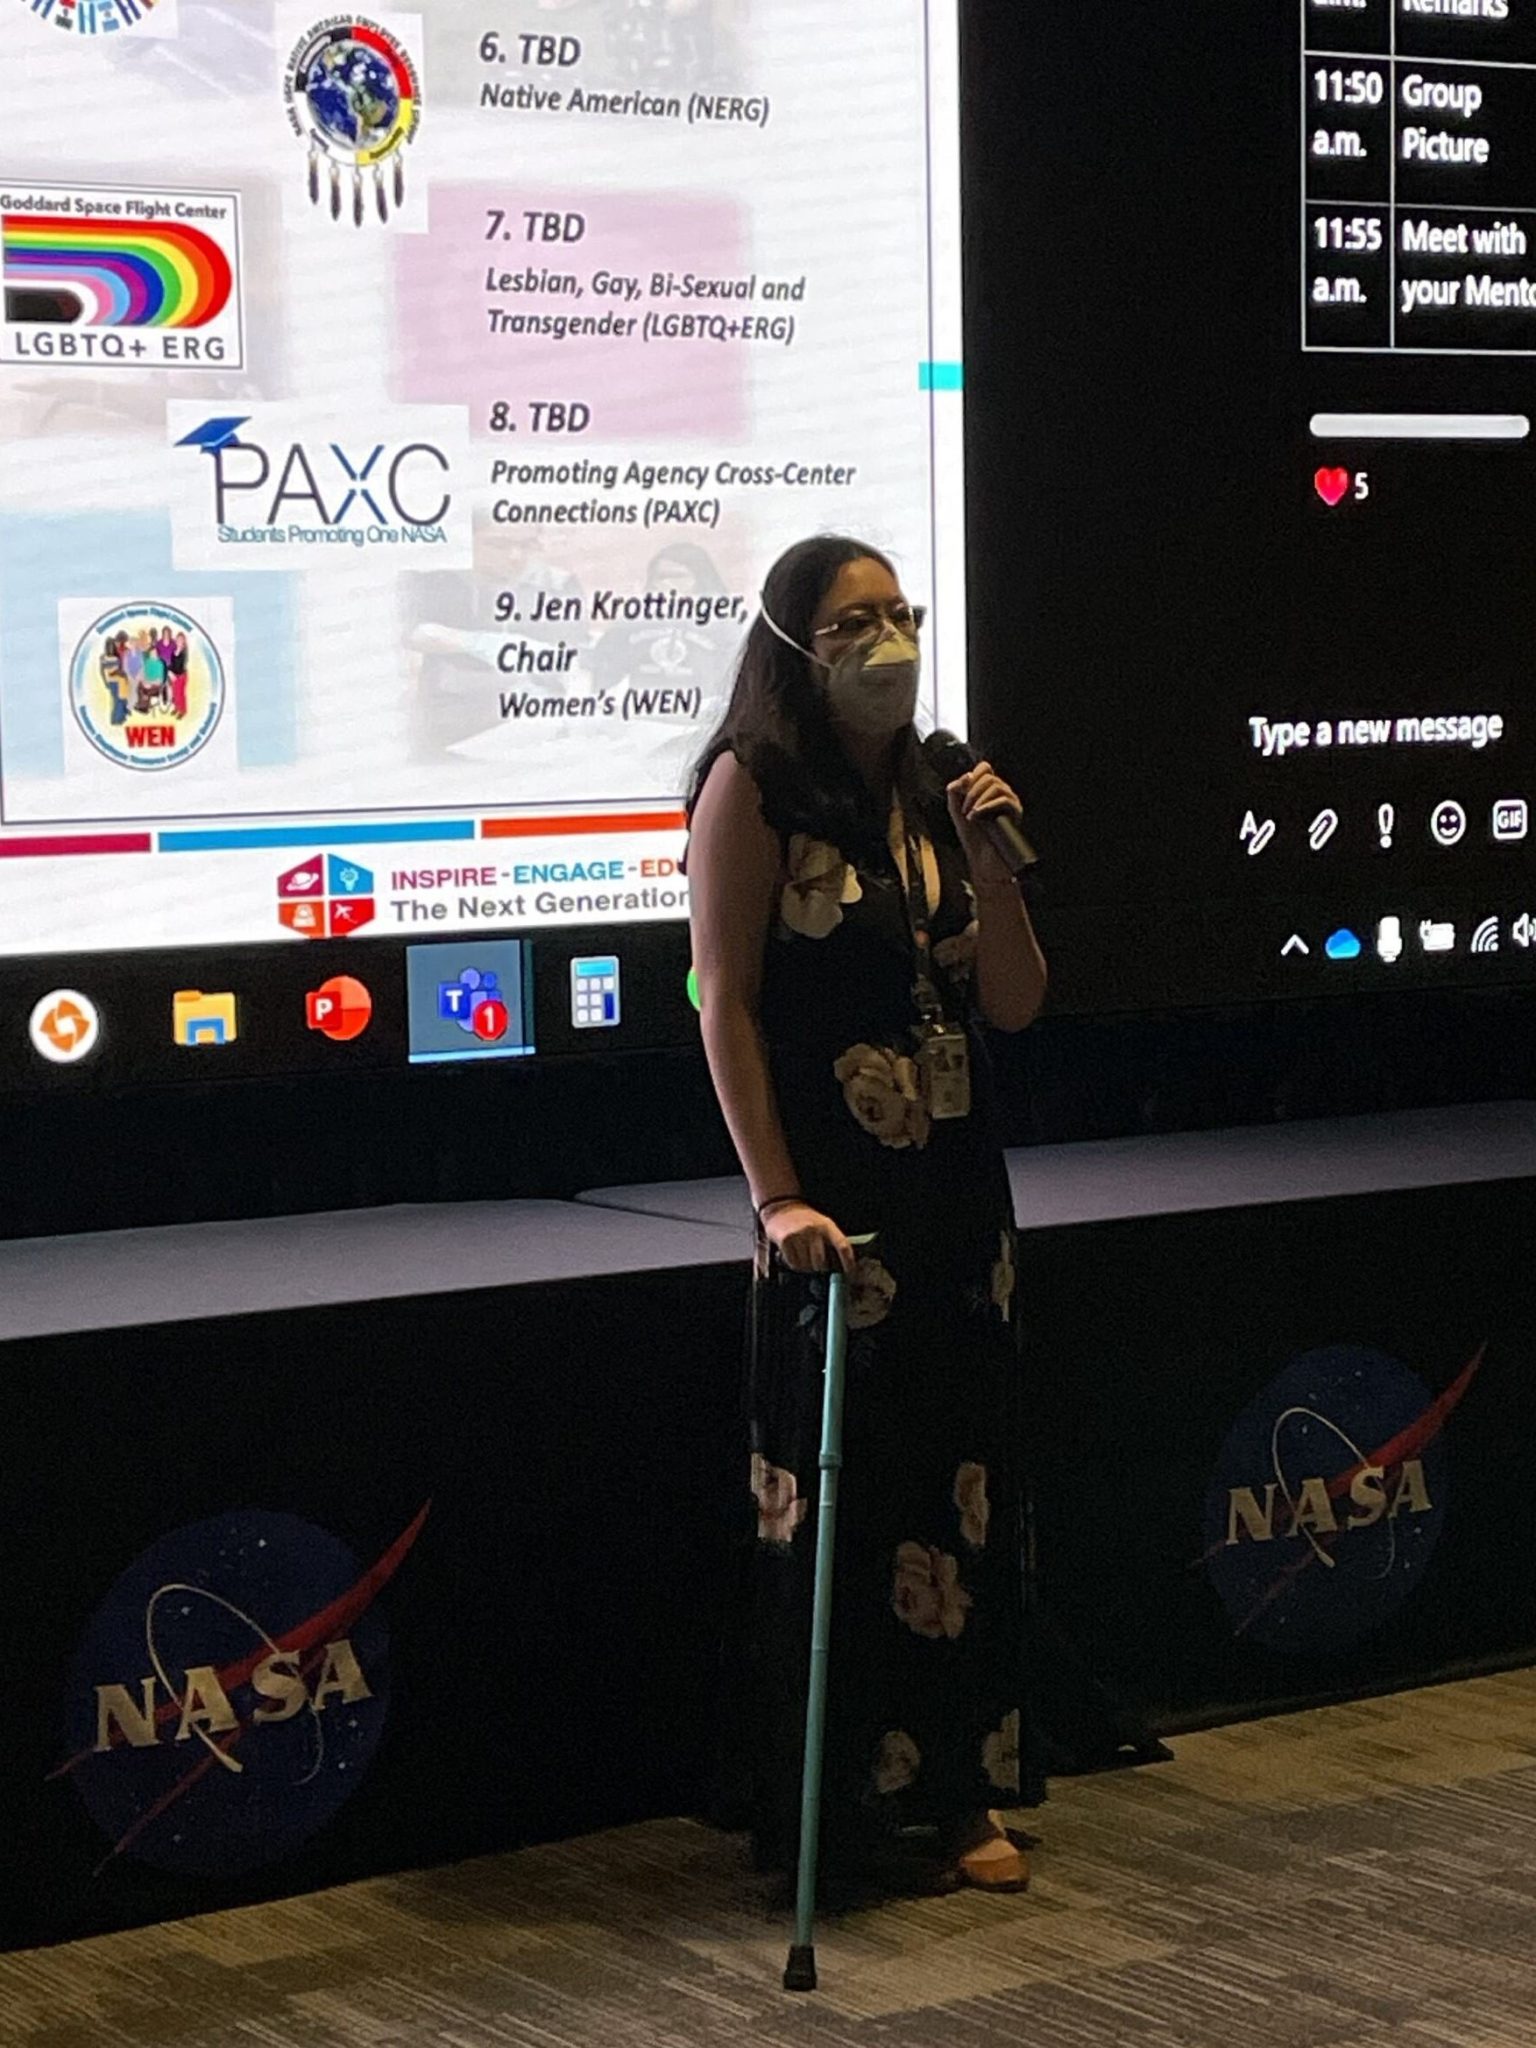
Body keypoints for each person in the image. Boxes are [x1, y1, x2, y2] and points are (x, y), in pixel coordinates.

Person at [687, 535, 1049, 1898]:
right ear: (795, 646)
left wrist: (995, 871)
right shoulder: (753, 784)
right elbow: (724, 999)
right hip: (831, 1202)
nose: (887, 636)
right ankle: (831, 1802)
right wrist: (775, 1194)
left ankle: (960, 1789)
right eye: (856, 620)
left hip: (957, 1197)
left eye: (900, 612)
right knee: (849, 1502)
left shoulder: (939, 782)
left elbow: (1012, 1003)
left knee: (960, 1490)